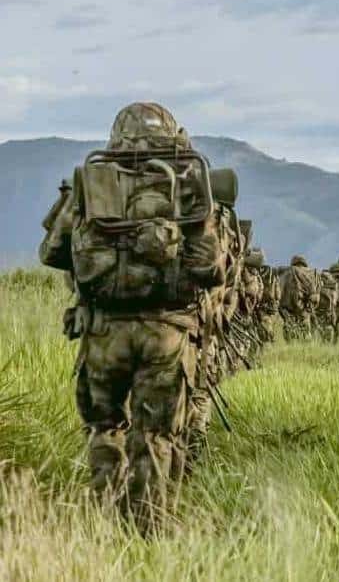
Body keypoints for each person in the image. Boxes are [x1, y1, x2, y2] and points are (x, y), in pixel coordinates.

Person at [38, 102, 236, 533]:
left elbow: (51, 252)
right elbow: (212, 270)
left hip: (102, 330)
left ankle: (104, 524)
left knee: (105, 428)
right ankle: (146, 532)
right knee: (155, 436)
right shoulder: (188, 182)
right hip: (167, 333)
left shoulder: (93, 179)